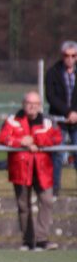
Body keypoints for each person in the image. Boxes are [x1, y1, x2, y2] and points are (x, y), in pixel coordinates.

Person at [0, 91, 62, 251]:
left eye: (35, 103)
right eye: (29, 103)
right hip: (20, 170)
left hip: (42, 170)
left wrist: (36, 140)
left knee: (46, 201)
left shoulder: (48, 121)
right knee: (23, 206)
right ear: (23, 104)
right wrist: (20, 141)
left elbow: (56, 138)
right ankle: (28, 241)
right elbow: (3, 138)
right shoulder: (12, 121)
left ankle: (42, 239)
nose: (32, 106)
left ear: (40, 105)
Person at [45, 40, 77, 195]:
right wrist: (68, 112)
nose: (69, 59)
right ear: (62, 55)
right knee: (57, 154)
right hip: (59, 120)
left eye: (73, 55)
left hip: (76, 120)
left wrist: (75, 113)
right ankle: (55, 189)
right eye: (66, 55)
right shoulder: (53, 72)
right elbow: (51, 96)